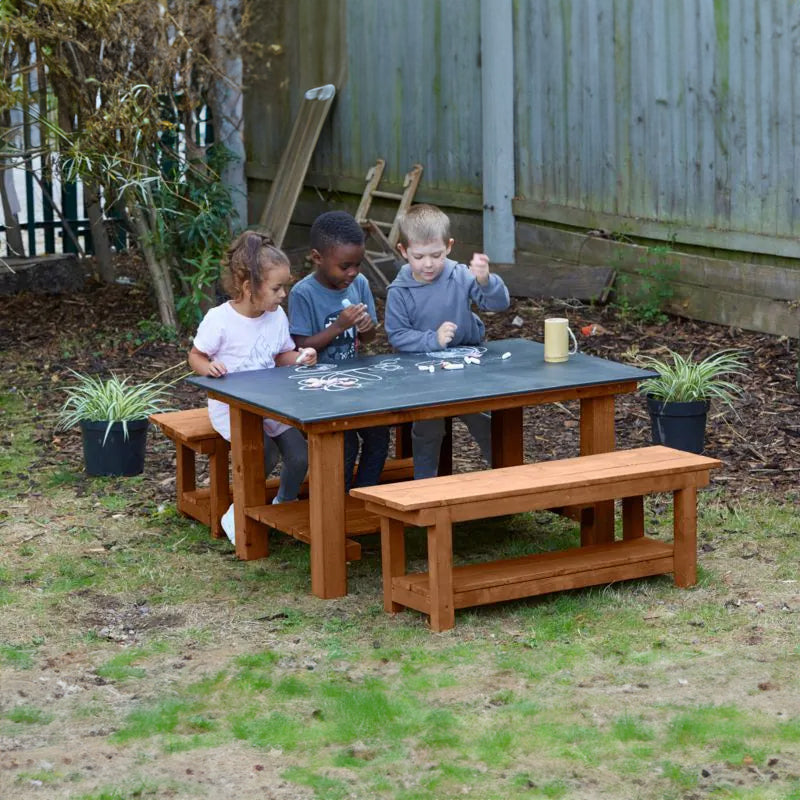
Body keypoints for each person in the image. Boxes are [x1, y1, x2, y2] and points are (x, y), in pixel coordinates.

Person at [188, 232, 317, 543]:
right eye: (276, 288)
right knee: (264, 452)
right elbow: (195, 356)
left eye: (284, 286)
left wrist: (300, 357)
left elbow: (281, 355)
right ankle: (238, 513)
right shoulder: (220, 320)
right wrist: (209, 368)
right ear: (248, 288)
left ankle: (283, 505)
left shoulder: (276, 315)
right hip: (231, 408)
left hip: (271, 403)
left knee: (301, 455)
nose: (283, 294)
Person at [384, 203, 510, 479]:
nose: (428, 264)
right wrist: (433, 339)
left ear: (449, 246)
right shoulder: (399, 291)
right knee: (428, 429)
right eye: (418, 256)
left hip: (468, 366)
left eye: (436, 255)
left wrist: (486, 280)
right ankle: (424, 489)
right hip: (422, 374)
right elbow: (397, 335)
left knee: (485, 419)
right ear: (403, 251)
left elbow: (498, 304)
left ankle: (505, 478)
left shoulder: (459, 275)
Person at [288, 210, 389, 490]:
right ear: (317, 257)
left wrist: (366, 326)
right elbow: (300, 348)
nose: (352, 272)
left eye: (358, 264)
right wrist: (338, 326)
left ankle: (366, 495)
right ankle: (336, 501)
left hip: (356, 382)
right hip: (318, 388)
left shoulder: (360, 285)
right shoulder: (303, 293)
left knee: (379, 434)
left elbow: (368, 338)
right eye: (345, 266)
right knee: (343, 446)